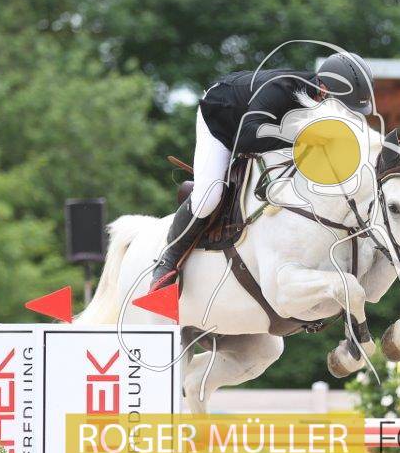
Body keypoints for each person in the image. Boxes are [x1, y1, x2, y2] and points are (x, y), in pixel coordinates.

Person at [147, 50, 376, 292]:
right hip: (223, 118)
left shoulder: (326, 100)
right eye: (344, 106)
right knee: (210, 196)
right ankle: (168, 259)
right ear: (323, 89)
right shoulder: (281, 90)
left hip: (265, 126)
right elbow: (245, 138)